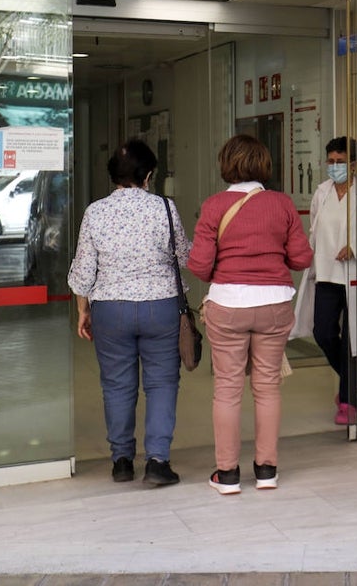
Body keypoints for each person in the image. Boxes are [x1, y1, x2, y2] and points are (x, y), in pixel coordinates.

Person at [188, 134, 313, 494]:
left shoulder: (214, 206)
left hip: (228, 305)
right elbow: (301, 259)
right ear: (264, 165)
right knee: (267, 387)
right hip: (274, 305)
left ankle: (227, 474)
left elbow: (198, 264)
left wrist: (227, 274)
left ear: (226, 165)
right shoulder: (282, 204)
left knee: (227, 389)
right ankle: (266, 470)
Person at [68, 139, 190, 488]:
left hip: (111, 309)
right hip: (161, 307)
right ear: (149, 175)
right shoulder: (164, 208)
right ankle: (157, 461)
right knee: (162, 382)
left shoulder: (95, 212)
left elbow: (82, 272)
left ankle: (122, 461)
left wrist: (83, 310)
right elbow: (183, 257)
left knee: (117, 386)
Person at [293, 136, 357, 425]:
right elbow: (313, 229)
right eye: (331, 161)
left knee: (352, 340)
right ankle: (356, 377)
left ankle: (348, 402)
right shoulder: (321, 192)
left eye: (340, 161)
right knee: (323, 332)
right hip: (325, 274)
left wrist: (356, 248)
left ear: (353, 163)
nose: (334, 166)